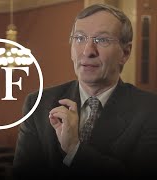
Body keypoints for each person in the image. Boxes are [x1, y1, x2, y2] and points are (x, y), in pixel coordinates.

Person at [13, 3, 157, 178]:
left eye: (102, 40)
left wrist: (75, 149)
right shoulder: (38, 104)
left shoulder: (150, 110)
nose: (88, 51)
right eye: (80, 38)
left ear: (125, 53)